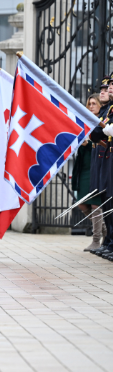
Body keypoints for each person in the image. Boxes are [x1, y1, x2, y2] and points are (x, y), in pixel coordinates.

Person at [73, 94, 104, 251]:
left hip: (97, 166)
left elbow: (104, 144)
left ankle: (96, 240)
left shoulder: (103, 122)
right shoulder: (85, 123)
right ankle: (106, 230)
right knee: (81, 203)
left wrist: (89, 143)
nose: (91, 106)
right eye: (89, 104)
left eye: (94, 103)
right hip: (84, 166)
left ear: (100, 105)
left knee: (95, 203)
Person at [90, 76, 113, 259]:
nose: (108, 89)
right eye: (106, 87)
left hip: (108, 158)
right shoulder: (108, 110)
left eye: (110, 86)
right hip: (106, 159)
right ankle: (109, 242)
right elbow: (96, 134)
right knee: (107, 202)